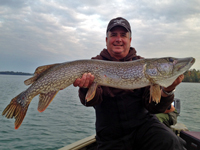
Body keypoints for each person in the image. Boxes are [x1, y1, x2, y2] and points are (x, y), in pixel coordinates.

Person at [73, 17, 186, 150]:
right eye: (113, 35)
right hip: (111, 134)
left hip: (143, 127)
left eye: (123, 35)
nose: (118, 39)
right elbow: (89, 102)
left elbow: (155, 108)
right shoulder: (95, 64)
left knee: (170, 141)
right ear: (106, 40)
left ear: (130, 40)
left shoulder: (143, 65)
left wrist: (167, 90)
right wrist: (86, 88)